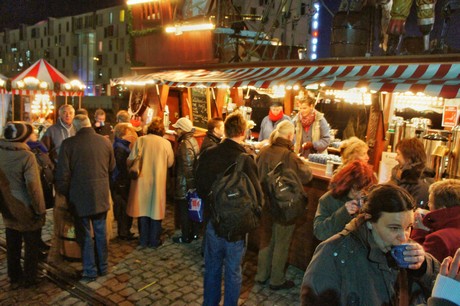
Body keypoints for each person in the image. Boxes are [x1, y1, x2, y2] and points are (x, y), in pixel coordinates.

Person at [301, 184, 440, 305]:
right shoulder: (333, 252)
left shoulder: (411, 252)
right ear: (369, 221)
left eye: (408, 227)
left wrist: (424, 267)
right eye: (393, 228)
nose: (404, 237)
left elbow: (438, 291)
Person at [196, 111, 263, 306]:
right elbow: (257, 196)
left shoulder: (209, 154)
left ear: (225, 130)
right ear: (243, 132)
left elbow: (199, 186)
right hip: (237, 227)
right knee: (233, 272)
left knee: (212, 268)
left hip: (213, 221)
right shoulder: (246, 159)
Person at [55, 115, 115, 282]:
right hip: (100, 194)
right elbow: (112, 167)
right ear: (90, 124)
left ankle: (89, 270)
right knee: (101, 232)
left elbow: (62, 175)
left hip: (79, 196)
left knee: (85, 235)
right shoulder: (105, 142)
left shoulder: (68, 144)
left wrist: (66, 194)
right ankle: (103, 267)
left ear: (75, 127)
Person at [255, 121, 313, 290]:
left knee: (266, 239)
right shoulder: (290, 156)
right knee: (282, 241)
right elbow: (307, 176)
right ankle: (276, 279)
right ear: (289, 136)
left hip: (265, 204)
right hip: (283, 206)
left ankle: (261, 275)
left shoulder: (264, 151)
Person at [0, 122, 46, 289]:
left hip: (7, 205)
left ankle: (14, 276)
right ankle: (30, 277)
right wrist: (40, 210)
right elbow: (34, 188)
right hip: (26, 208)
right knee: (31, 245)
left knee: (12, 243)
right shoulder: (26, 156)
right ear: (24, 137)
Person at [126, 117, 174, 248]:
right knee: (155, 211)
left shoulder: (140, 141)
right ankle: (154, 240)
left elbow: (130, 159)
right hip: (158, 182)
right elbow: (170, 163)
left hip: (141, 181)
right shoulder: (166, 143)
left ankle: (143, 240)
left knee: (142, 211)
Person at [314, 160, 377, 241]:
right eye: (356, 189)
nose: (361, 194)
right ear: (347, 185)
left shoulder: (367, 199)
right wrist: (343, 213)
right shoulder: (328, 199)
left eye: (364, 190)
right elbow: (320, 233)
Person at [411, 179, 460, 263]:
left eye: (430, 203)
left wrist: (419, 232)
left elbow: (415, 265)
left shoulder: (437, 239)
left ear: (441, 209)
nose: (428, 206)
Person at [171, 117, 200, 244]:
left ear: (182, 129)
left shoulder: (184, 144)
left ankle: (185, 236)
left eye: (177, 129)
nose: (175, 131)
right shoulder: (192, 140)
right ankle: (194, 234)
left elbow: (187, 167)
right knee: (191, 209)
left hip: (184, 183)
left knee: (184, 211)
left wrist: (191, 186)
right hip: (189, 183)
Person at [111, 123, 138, 240]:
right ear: (123, 134)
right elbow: (121, 166)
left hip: (119, 181)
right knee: (123, 207)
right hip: (121, 182)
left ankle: (124, 231)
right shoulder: (120, 148)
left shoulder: (119, 145)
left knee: (123, 206)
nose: (131, 134)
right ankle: (124, 232)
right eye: (129, 132)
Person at [389, 137, 430, 208]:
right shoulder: (399, 175)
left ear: (409, 157)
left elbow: (416, 211)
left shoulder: (421, 182)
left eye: (398, 154)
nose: (396, 158)